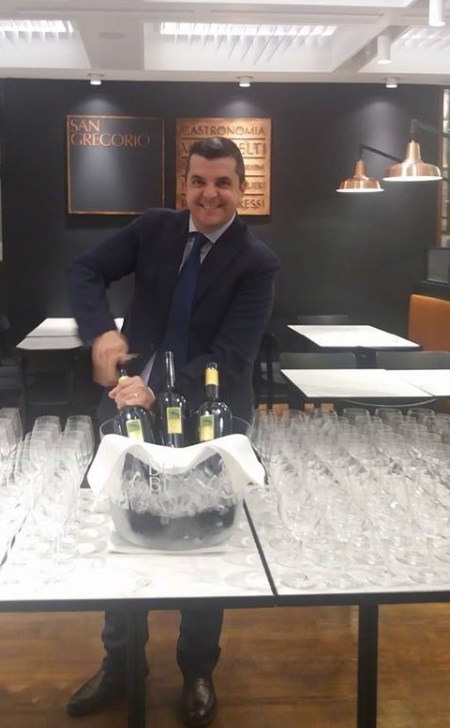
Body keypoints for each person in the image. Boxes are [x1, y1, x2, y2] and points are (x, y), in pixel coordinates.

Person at [65, 136, 279, 726]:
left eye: (223, 183)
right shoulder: (154, 229)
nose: (209, 194)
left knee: (204, 543)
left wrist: (158, 388)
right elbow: (84, 269)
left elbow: (232, 356)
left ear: (241, 189)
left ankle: (198, 670)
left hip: (211, 418)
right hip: (129, 412)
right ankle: (121, 664)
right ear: (184, 185)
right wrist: (100, 331)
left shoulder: (257, 262)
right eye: (198, 181)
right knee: (123, 534)